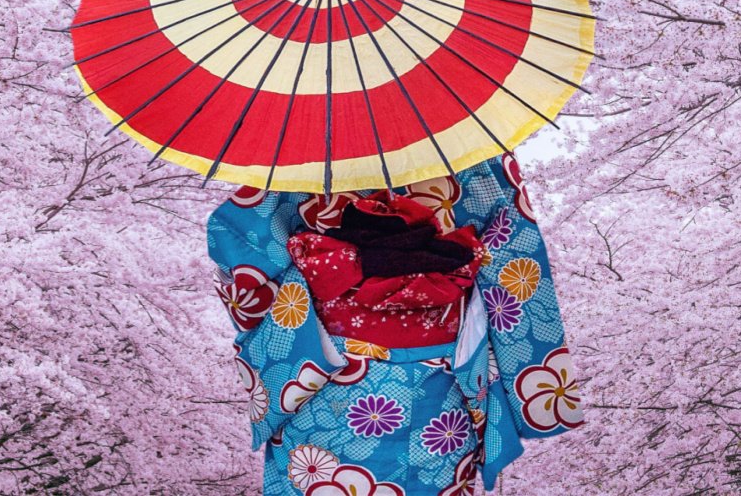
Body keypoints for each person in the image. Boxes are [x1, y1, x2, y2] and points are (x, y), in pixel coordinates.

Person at [207, 152, 581, 496]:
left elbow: (238, 252)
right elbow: (515, 263)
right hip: (443, 376)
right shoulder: (472, 148)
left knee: (325, 479)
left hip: (322, 369)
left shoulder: (295, 160)